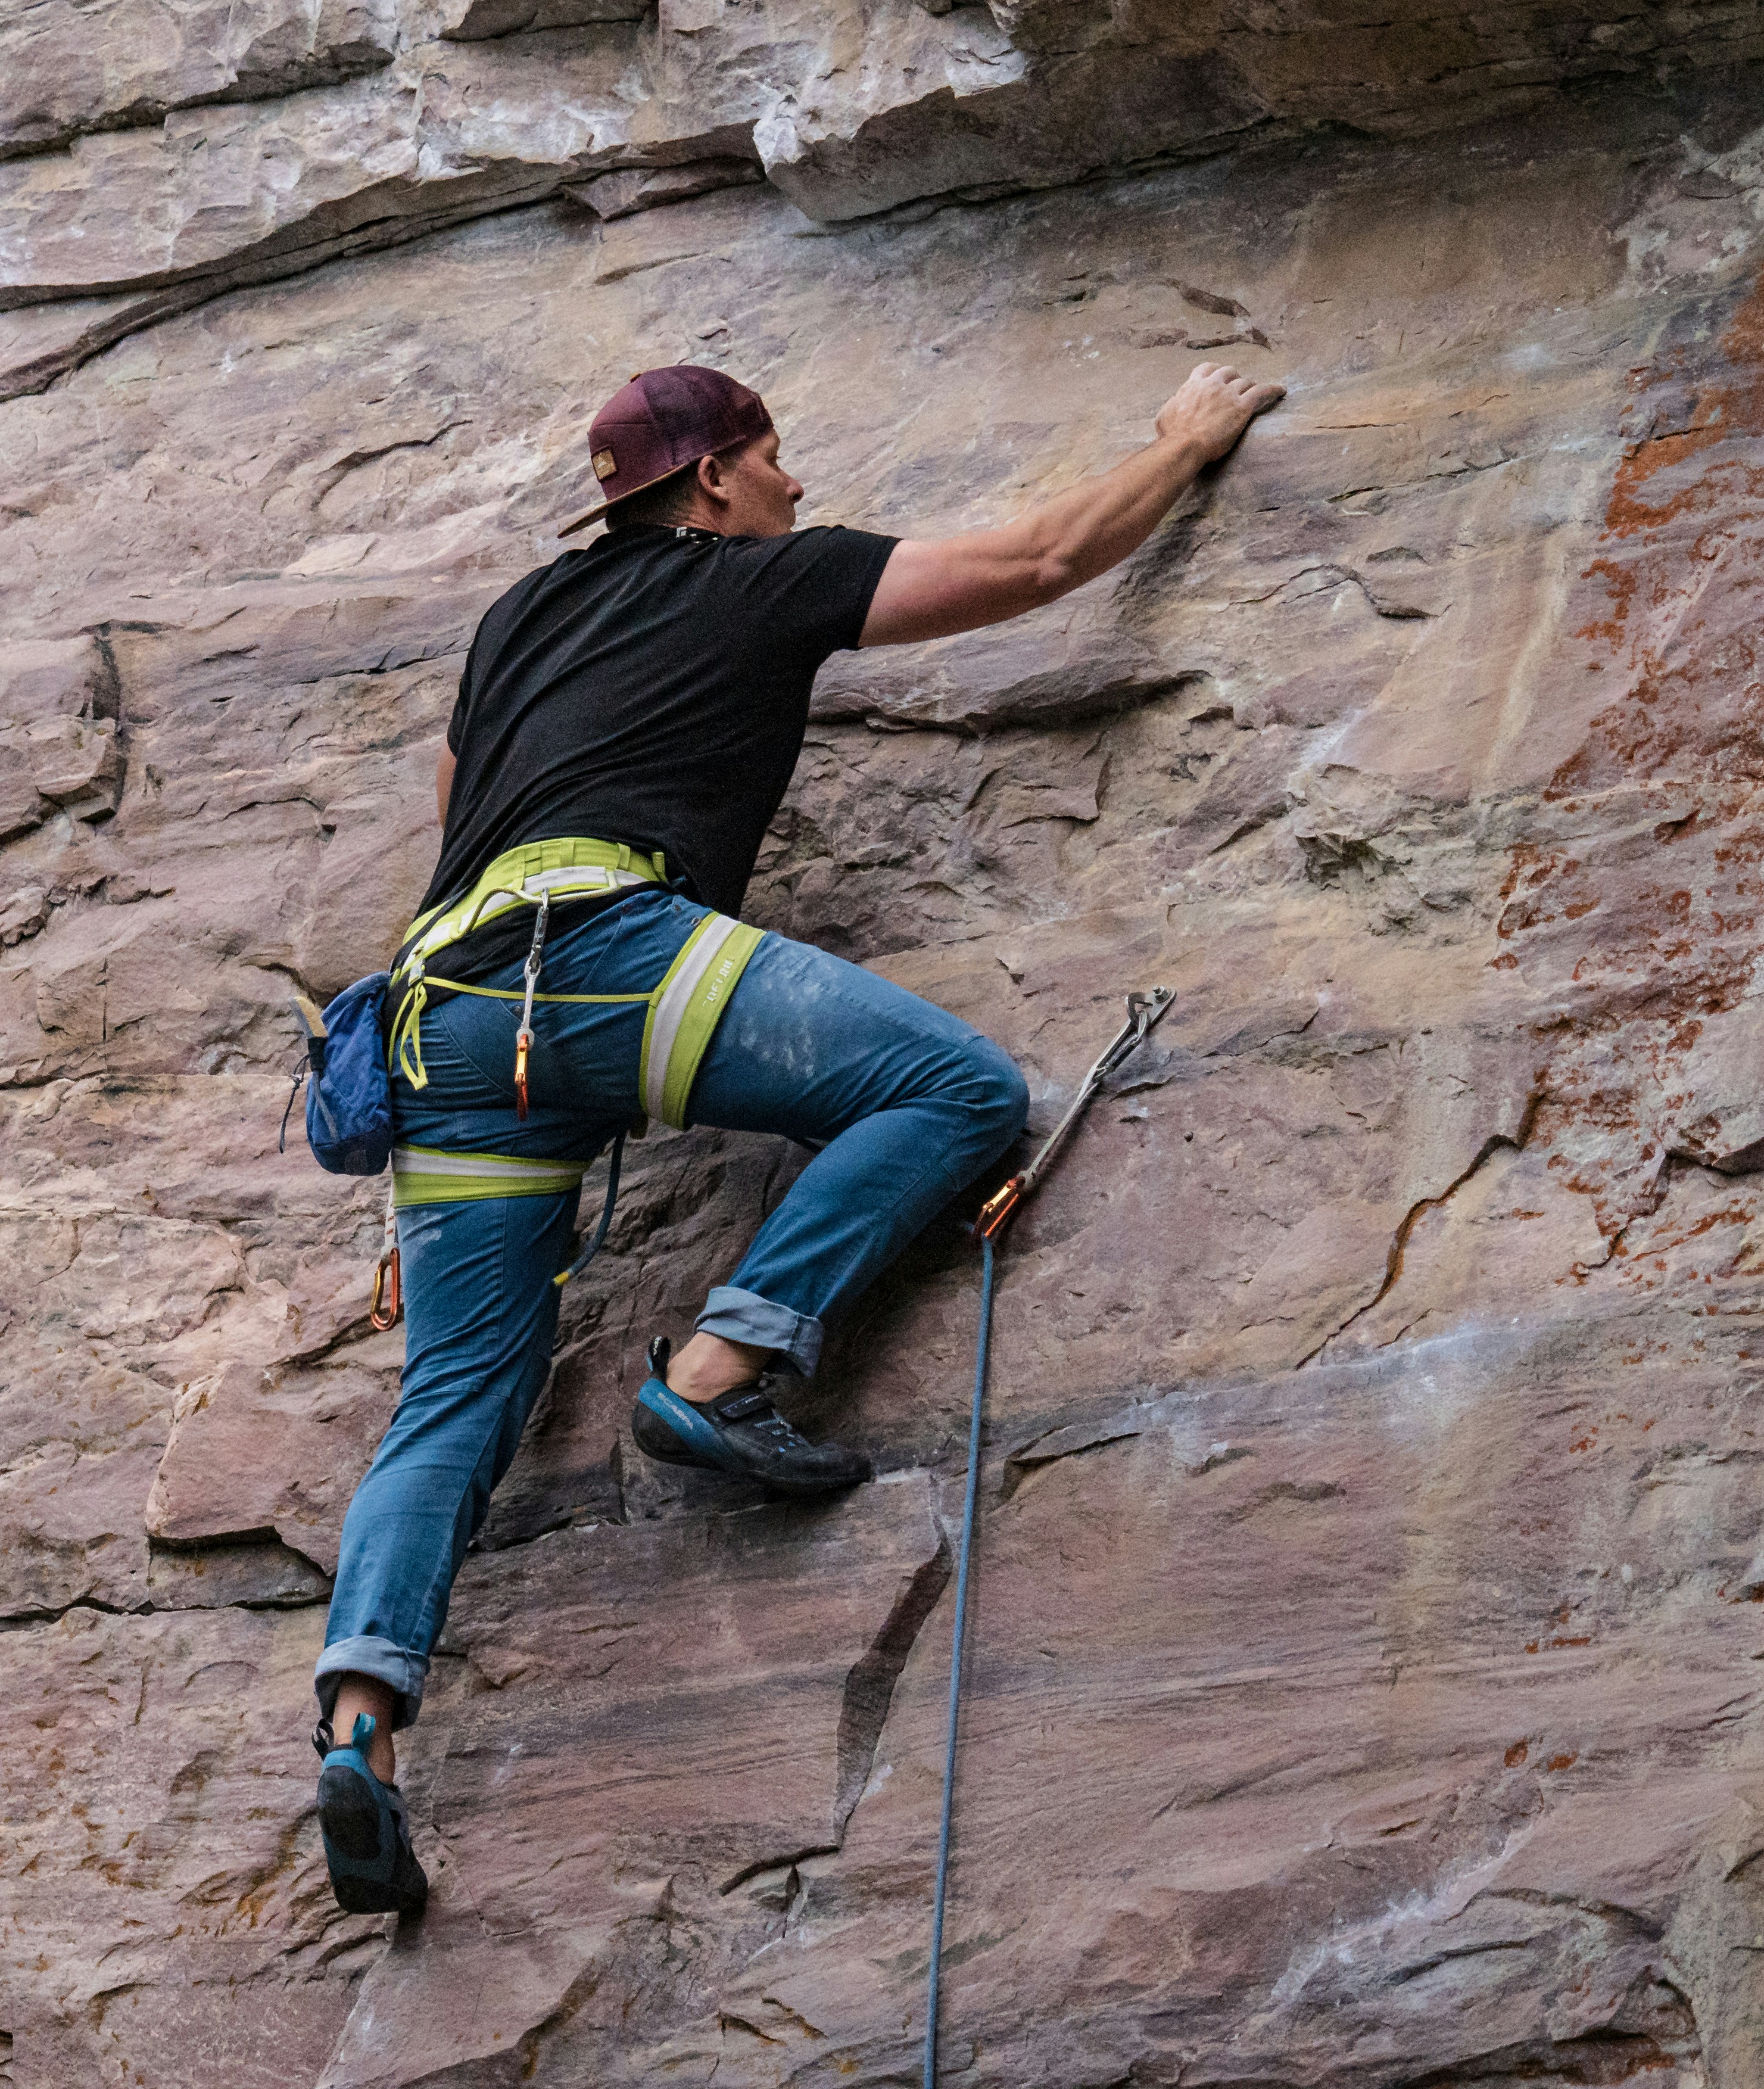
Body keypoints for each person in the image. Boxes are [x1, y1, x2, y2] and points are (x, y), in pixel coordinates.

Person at [310, 357, 1285, 1916]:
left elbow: (456, 808)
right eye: (777, 463)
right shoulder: (761, 583)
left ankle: (358, 1736)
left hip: (443, 1023)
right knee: (960, 1090)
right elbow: (1036, 564)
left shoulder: (518, 621)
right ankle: (723, 1368)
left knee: (453, 1391)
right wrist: (1179, 442)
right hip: (605, 960)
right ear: (712, 481)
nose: (797, 491)